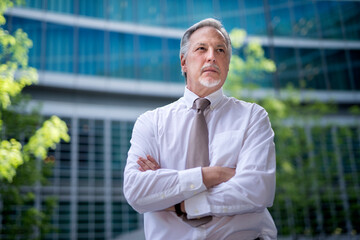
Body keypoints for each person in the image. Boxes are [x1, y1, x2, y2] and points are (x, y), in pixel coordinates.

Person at [123, 18, 277, 240]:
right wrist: (214, 174)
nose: (212, 56)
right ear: (184, 62)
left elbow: (256, 190)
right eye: (201, 48)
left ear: (227, 63)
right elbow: (137, 191)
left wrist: (178, 202)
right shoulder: (151, 123)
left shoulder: (253, 117)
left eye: (220, 50)